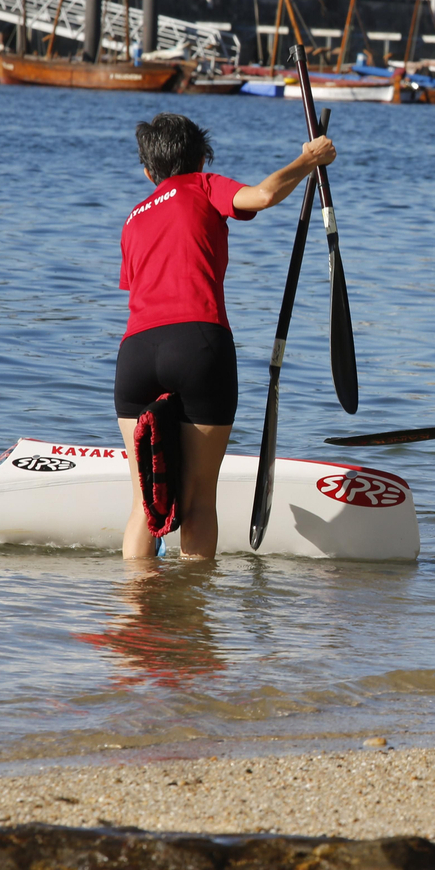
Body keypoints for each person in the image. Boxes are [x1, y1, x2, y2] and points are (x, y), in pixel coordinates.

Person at [115, 112, 336, 559]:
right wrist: (306, 159)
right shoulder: (201, 184)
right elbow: (264, 194)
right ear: (201, 158)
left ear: (147, 170)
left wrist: (305, 168)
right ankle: (193, 620)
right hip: (197, 345)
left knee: (144, 504)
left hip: (135, 355)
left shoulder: (133, 218)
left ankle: (136, 615)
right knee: (197, 504)